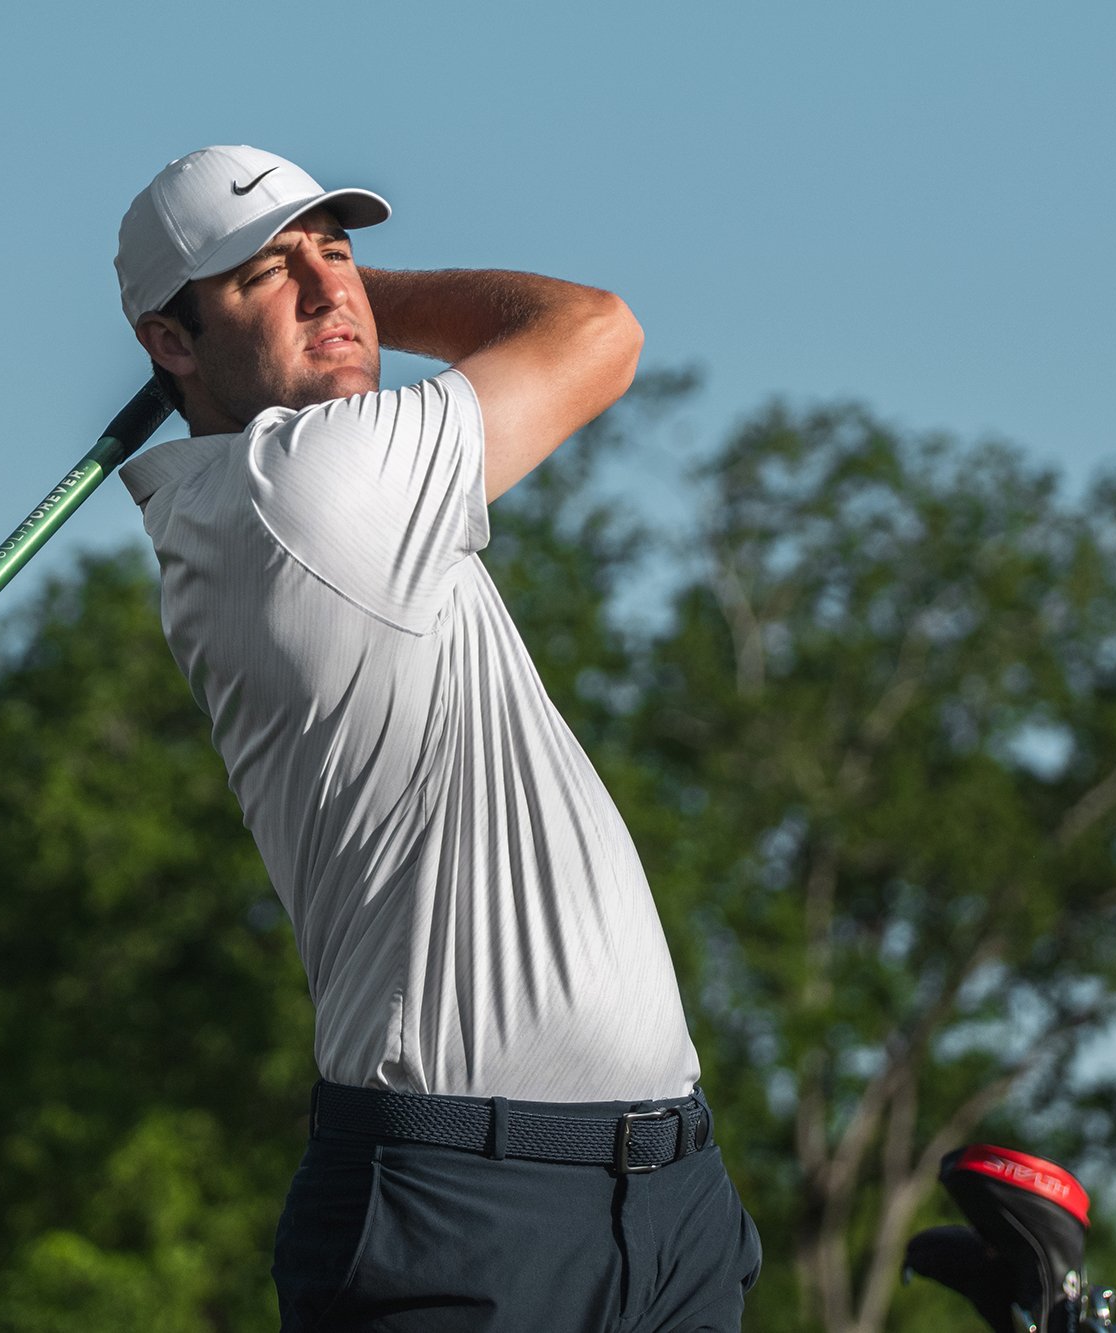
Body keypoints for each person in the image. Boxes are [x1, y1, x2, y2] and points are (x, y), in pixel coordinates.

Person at [113, 145, 761, 1333]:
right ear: (169, 342)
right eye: (267, 272)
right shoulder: (295, 492)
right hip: (463, 1207)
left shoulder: (313, 477)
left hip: (664, 1198)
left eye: (339, 251)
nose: (327, 289)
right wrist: (376, 302)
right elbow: (595, 330)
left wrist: (323, 302)